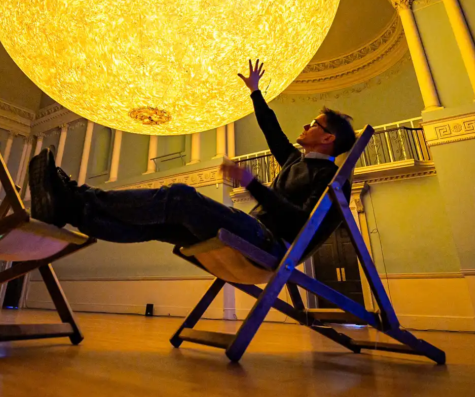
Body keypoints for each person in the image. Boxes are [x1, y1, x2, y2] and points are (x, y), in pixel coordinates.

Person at [27, 59, 357, 253]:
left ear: (327, 138)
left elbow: (300, 223)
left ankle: (73, 198)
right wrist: (256, 92)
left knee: (180, 197)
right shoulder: (295, 162)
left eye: (314, 123)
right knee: (157, 223)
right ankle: (69, 210)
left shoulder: (329, 178)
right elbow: (273, 131)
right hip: (254, 230)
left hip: (269, 243)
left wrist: (251, 184)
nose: (306, 124)